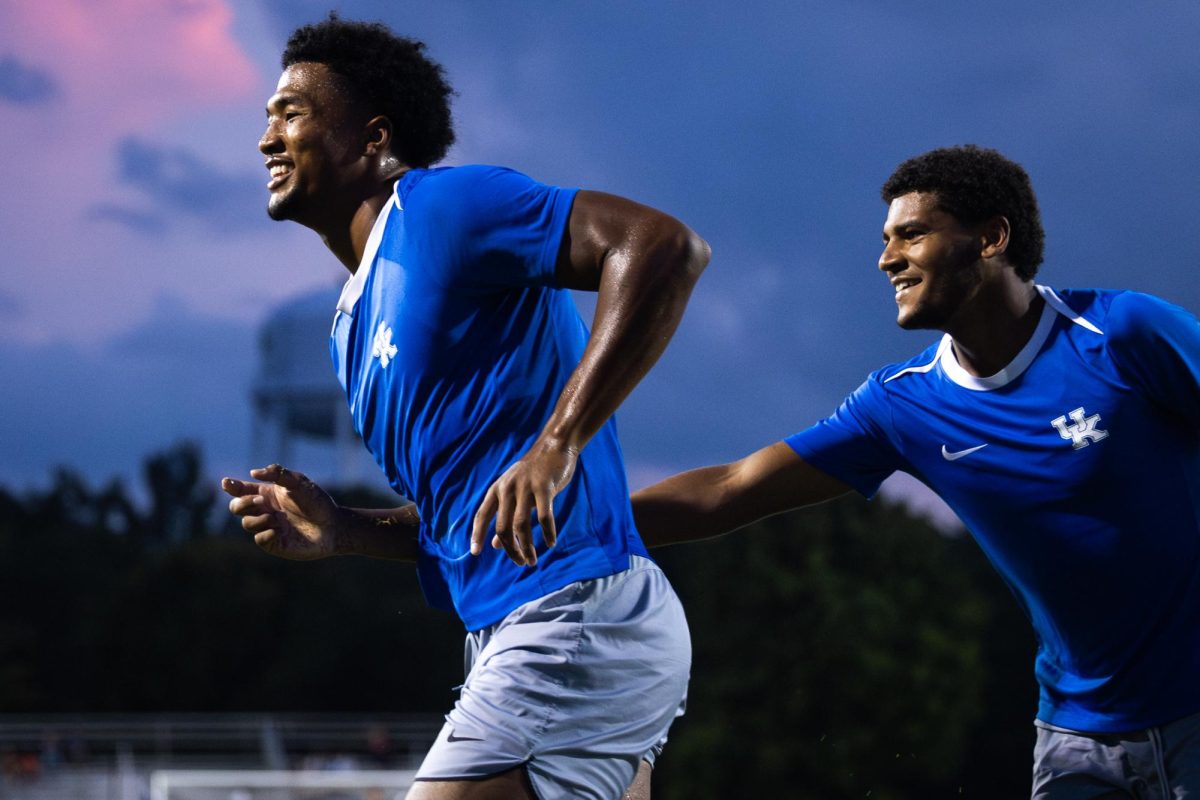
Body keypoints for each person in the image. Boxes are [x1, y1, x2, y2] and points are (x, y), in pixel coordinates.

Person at [221, 15, 706, 800]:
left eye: (292, 113)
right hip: (532, 629)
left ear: (373, 138)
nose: (266, 139)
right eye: (266, 118)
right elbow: (463, 520)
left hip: (571, 612)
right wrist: (345, 530)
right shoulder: (350, 331)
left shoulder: (444, 207)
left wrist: (559, 442)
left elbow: (661, 247)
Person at [624, 145, 1200, 798]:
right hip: (1076, 742)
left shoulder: (1123, 334)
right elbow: (730, 491)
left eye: (912, 234)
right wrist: (571, 525)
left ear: (991, 238)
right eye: (886, 238)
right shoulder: (902, 403)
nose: (886, 258)